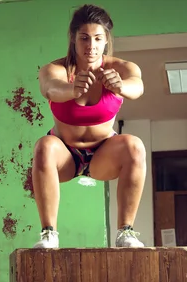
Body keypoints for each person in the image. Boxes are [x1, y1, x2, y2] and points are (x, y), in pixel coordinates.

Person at [32, 3, 146, 249]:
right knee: (44, 146)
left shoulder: (121, 68)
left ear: (106, 40)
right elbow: (49, 88)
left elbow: (138, 86)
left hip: (103, 154)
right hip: (65, 155)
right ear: (73, 39)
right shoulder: (55, 69)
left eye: (97, 38)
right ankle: (49, 233)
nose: (90, 46)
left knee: (134, 146)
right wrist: (72, 89)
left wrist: (121, 87)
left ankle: (125, 231)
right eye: (84, 38)